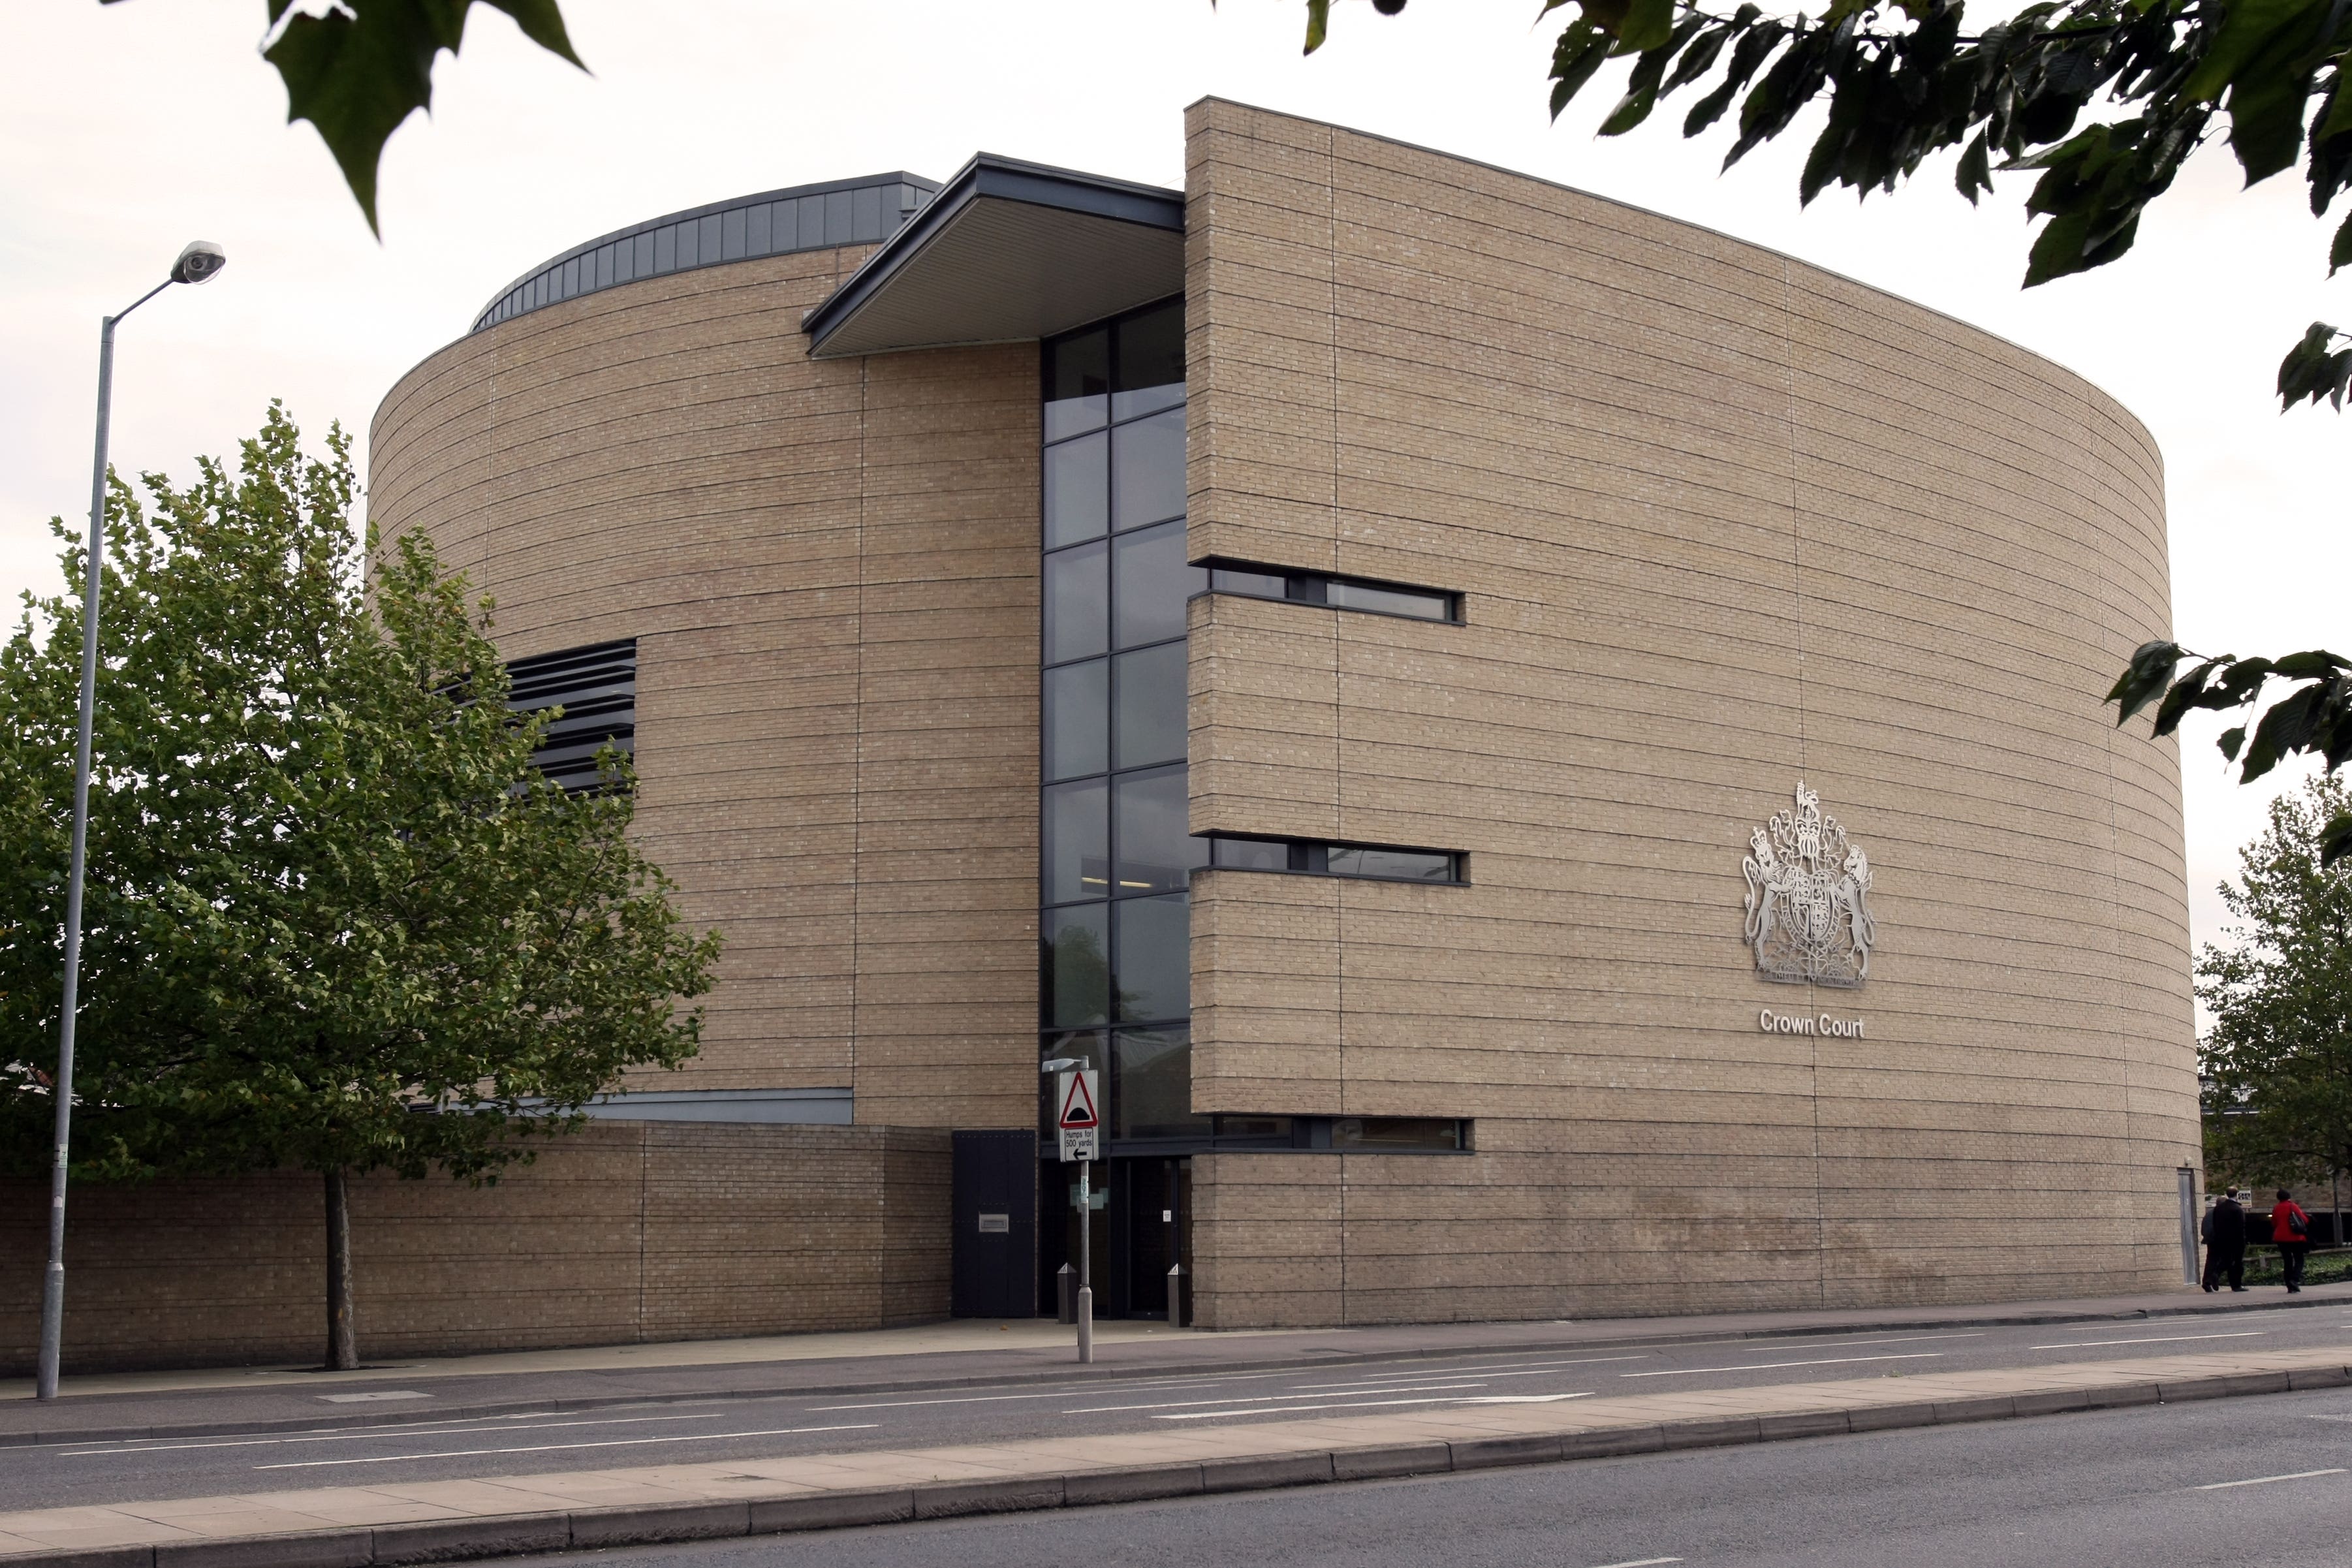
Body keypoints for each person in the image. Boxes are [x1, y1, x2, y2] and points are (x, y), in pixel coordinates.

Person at [2203, 1189, 2248, 1293]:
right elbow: (2240, 1228)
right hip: (2226, 1240)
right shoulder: (2235, 1209)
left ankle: (2209, 1279)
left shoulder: (2213, 1212)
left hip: (2216, 1239)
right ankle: (2232, 1283)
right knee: (2232, 1262)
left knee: (2215, 1261)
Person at [2270, 1189, 2312, 1293]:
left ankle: (2289, 1286)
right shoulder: (2293, 1206)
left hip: (2280, 1238)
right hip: (2295, 1237)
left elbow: (2274, 1223)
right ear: (2289, 1196)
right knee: (2299, 1259)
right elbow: (2305, 1220)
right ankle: (2295, 1279)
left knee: (2287, 1261)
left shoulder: (2276, 1208)